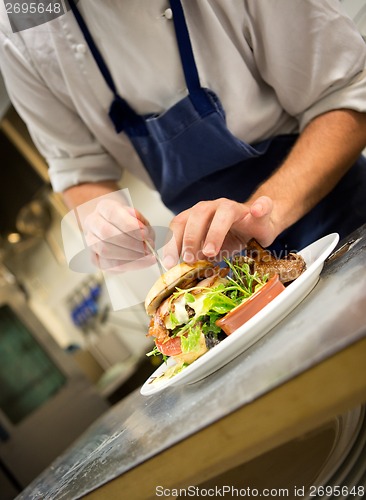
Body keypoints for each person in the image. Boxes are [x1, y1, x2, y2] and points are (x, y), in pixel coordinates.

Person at [1, 0, 366, 272]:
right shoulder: (20, 18)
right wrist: (105, 220)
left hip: (343, 224)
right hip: (221, 261)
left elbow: (347, 91)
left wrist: (265, 213)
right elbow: (77, 166)